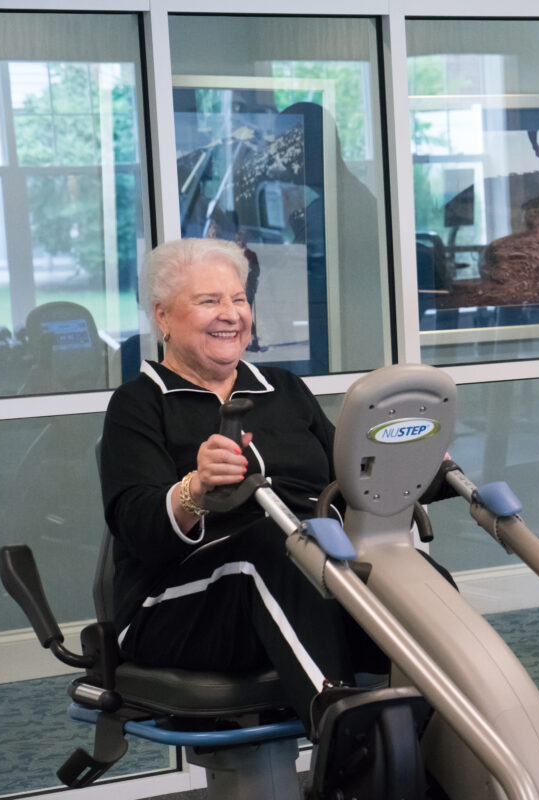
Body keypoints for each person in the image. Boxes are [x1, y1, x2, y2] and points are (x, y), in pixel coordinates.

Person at [99, 237, 394, 744]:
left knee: (405, 571)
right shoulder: (140, 404)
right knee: (271, 550)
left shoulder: (283, 388)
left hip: (305, 581)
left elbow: (346, 487)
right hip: (176, 607)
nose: (231, 315)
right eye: (209, 301)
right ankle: (348, 746)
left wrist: (400, 467)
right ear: (163, 317)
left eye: (238, 299)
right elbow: (138, 528)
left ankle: (438, 737)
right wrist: (194, 488)